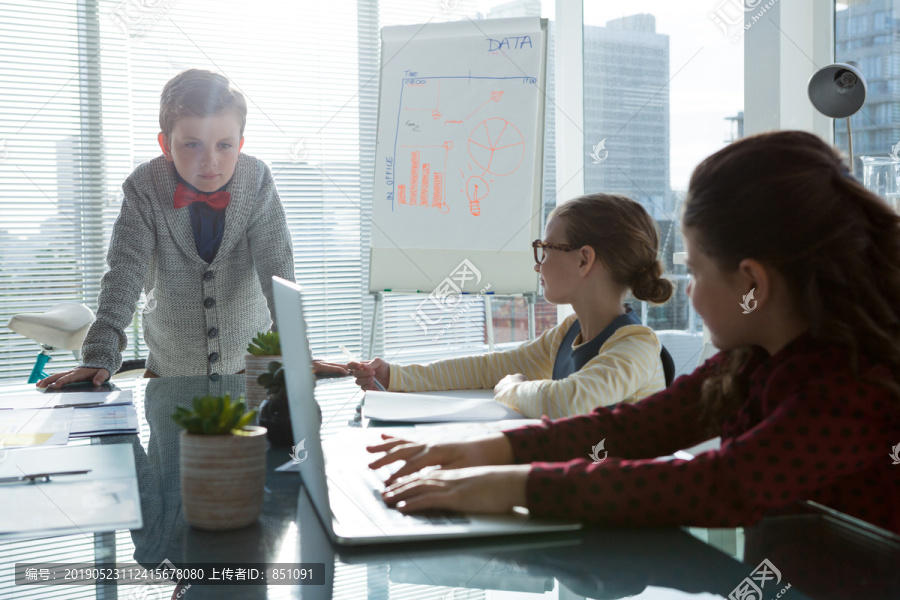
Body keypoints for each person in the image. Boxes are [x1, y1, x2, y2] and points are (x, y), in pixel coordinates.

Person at [366, 130, 900, 535]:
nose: (685, 292)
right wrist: (485, 452)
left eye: (696, 269)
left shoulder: (852, 388)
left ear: (752, 284)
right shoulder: (754, 359)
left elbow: (719, 486)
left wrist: (513, 483)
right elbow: (631, 430)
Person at [38, 69, 345, 388]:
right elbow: (124, 275)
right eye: (192, 145)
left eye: (224, 145)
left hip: (249, 370)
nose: (209, 161)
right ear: (166, 145)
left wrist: (295, 350)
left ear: (239, 144)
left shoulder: (257, 180)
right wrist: (99, 355)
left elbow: (278, 270)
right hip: (168, 373)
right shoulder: (144, 186)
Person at [349, 193, 674, 419]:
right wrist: (395, 376)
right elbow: (487, 368)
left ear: (584, 260)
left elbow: (571, 402)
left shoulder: (636, 345)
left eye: (545, 250)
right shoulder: (568, 333)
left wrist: (512, 388)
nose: (539, 265)